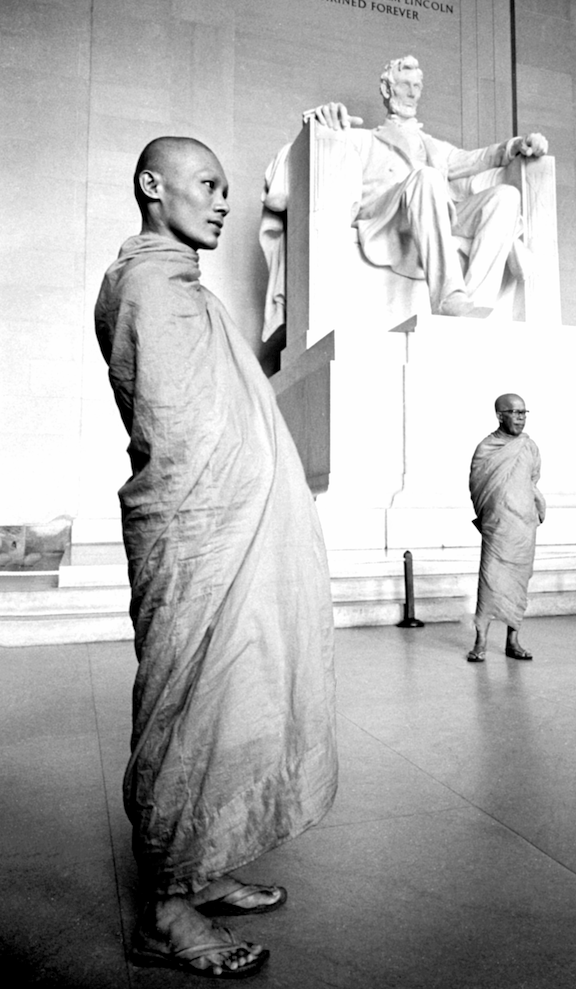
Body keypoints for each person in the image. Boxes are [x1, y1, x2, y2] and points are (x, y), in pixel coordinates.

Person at [94, 137, 337, 979]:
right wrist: (233, 503)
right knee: (187, 706)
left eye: (229, 189)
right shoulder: (146, 285)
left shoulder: (188, 291)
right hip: (196, 539)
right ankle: (165, 905)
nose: (225, 202)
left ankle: (203, 863)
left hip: (231, 532)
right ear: (152, 186)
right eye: (208, 185)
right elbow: (175, 431)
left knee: (236, 695)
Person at [309, 55, 548, 317]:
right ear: (387, 90)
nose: (412, 94)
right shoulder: (365, 139)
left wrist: (516, 145)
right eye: (404, 85)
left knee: (506, 196)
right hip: (388, 218)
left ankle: (475, 304)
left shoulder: (434, 146)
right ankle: (447, 296)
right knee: (428, 177)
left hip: (435, 216)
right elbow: (321, 137)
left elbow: (477, 159)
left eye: (417, 87)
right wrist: (324, 118)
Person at [466, 393, 546, 663]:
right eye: (514, 412)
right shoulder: (487, 448)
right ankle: (481, 641)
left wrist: (533, 503)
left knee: (519, 582)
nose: (521, 418)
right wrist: (490, 514)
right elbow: (477, 486)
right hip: (498, 525)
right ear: (500, 415)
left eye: (524, 412)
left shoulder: (529, 447)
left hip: (523, 524)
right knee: (489, 581)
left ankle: (513, 640)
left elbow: (532, 479)